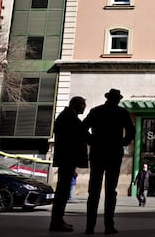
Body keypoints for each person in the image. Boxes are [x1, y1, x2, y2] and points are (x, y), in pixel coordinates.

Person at [83, 89, 136, 235]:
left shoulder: (96, 111)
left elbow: (83, 129)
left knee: (93, 191)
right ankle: (109, 225)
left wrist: (92, 141)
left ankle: (90, 226)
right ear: (117, 99)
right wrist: (122, 143)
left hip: (97, 153)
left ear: (107, 98)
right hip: (113, 153)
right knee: (111, 191)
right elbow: (132, 131)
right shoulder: (122, 112)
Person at [49, 96, 89, 232]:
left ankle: (58, 220)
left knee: (63, 191)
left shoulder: (67, 117)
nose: (84, 107)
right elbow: (83, 135)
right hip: (68, 159)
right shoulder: (69, 118)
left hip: (67, 159)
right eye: (82, 104)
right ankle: (57, 222)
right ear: (75, 105)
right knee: (62, 192)